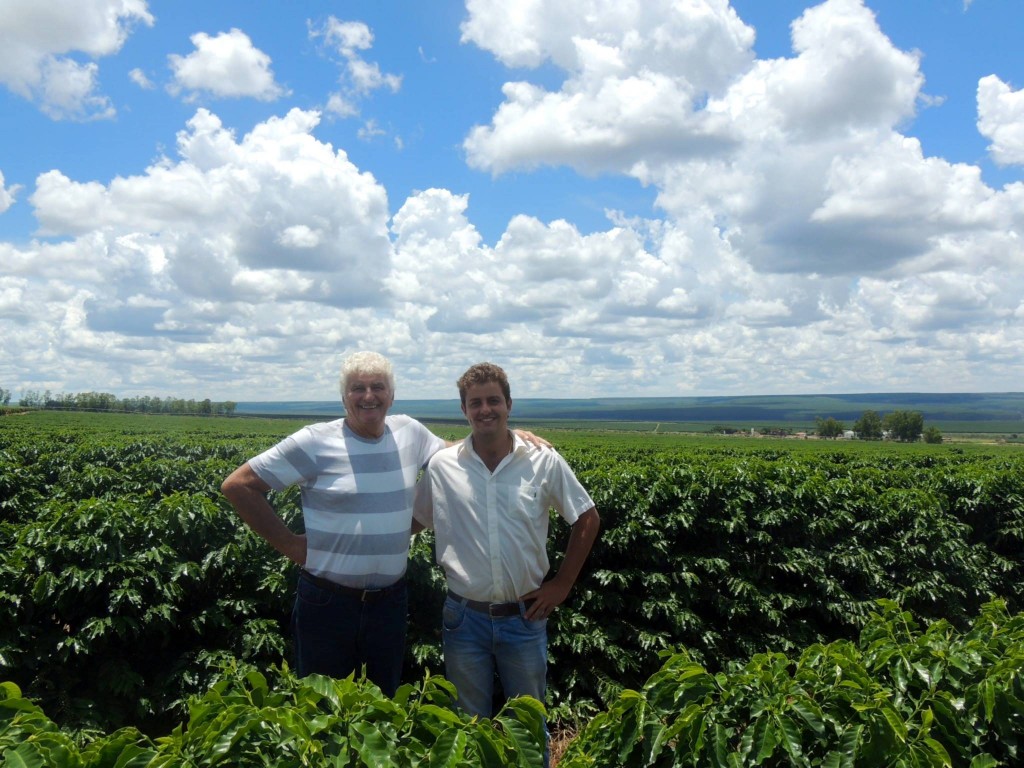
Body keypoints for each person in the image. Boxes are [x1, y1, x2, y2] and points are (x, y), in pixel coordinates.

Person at [221, 351, 548, 697]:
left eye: (378, 387)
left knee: (384, 702)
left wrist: (508, 436)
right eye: (357, 388)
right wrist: (289, 544)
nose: (368, 396)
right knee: (322, 707)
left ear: (392, 395)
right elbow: (238, 485)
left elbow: (456, 455)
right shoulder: (314, 441)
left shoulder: (411, 432)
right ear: (343, 397)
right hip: (328, 602)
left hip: (389, 604)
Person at [413, 362, 600, 755]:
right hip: (463, 618)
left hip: (524, 616)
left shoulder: (543, 461)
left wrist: (563, 583)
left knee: (531, 729)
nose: (485, 410)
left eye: (493, 400)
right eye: (475, 402)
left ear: (509, 404)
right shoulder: (443, 467)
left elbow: (587, 517)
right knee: (469, 726)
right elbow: (416, 520)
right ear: (463, 410)